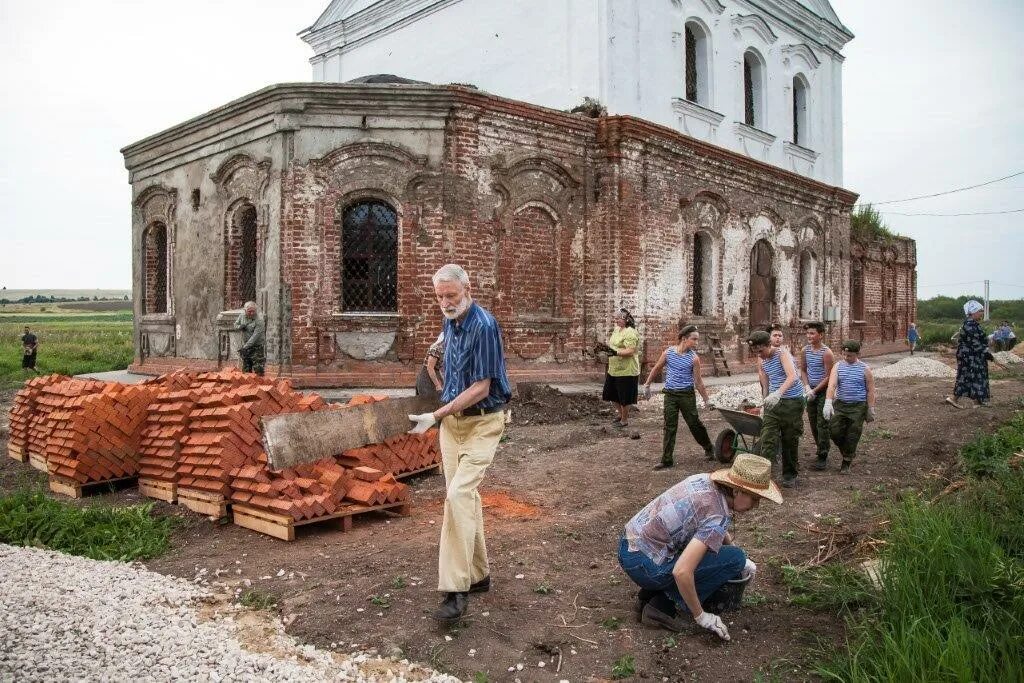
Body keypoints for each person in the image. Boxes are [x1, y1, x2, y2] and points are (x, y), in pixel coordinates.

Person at [407, 264, 513, 621]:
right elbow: (443, 361)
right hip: (452, 425)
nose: (446, 302)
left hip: (483, 423)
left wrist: (436, 415)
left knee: (457, 496)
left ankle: (455, 589)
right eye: (440, 296)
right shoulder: (448, 323)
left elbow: (482, 387)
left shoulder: (483, 326)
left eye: (451, 295)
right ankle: (479, 574)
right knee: (463, 497)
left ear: (468, 288)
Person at [618, 453, 782, 639]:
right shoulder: (717, 516)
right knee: (733, 559)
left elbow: (712, 524)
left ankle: (648, 595)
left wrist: (739, 553)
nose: (757, 505)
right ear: (737, 491)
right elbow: (681, 571)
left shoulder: (705, 482)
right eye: (755, 498)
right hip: (646, 564)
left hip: (629, 545)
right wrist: (701, 616)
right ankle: (664, 606)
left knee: (731, 554)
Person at [642, 325, 714, 469]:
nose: (696, 342)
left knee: (694, 423)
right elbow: (657, 368)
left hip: (686, 395)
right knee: (669, 426)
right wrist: (647, 385)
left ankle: (709, 448)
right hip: (670, 395)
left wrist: (707, 400)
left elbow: (698, 382)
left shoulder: (694, 359)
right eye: (694, 339)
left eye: (697, 340)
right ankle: (666, 459)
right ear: (684, 338)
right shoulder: (668, 353)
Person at [748, 331, 804, 488]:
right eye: (755, 352)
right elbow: (765, 382)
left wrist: (779, 393)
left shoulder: (782, 354)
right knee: (767, 437)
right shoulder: (762, 358)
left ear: (768, 345)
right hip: (774, 402)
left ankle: (790, 475)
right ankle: (762, 476)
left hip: (792, 401)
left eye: (761, 351)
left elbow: (792, 376)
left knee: (789, 438)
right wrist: (765, 401)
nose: (759, 354)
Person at [822, 340, 876, 474]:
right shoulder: (838, 366)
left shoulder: (865, 369)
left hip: (858, 406)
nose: (846, 357)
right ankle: (848, 452)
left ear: (857, 354)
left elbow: (870, 390)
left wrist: (870, 409)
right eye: (844, 354)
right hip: (840, 404)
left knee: (853, 434)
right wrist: (828, 402)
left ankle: (846, 463)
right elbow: (832, 385)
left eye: (850, 355)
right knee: (834, 430)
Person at [946, 300, 993, 409]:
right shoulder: (970, 325)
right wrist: (986, 353)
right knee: (968, 377)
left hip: (973, 355)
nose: (982, 313)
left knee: (973, 377)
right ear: (973, 312)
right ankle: (954, 399)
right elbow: (975, 343)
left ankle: (977, 401)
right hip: (970, 357)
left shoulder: (973, 324)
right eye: (980, 311)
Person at [800, 322, 835, 470]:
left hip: (823, 392)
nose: (809, 336)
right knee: (813, 422)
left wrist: (815, 391)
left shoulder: (827, 353)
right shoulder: (805, 350)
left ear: (821, 335)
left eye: (812, 333)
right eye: (808, 333)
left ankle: (823, 455)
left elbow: (829, 377)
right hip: (810, 390)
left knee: (822, 423)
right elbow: (803, 370)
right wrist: (807, 387)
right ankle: (820, 448)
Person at [600, 309, 641, 429]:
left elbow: (631, 351)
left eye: (619, 318)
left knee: (625, 396)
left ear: (626, 320)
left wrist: (615, 352)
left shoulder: (630, 332)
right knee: (610, 394)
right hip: (614, 368)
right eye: (616, 318)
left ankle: (624, 420)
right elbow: (613, 345)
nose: (616, 320)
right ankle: (621, 414)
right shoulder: (617, 329)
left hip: (627, 370)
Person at [234, 301, 266, 376]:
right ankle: (248, 387)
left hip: (256, 347)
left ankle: (260, 386)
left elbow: (255, 337)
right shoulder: (242, 316)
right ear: (245, 310)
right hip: (246, 347)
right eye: (249, 311)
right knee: (246, 370)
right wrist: (240, 326)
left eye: (253, 311)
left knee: (258, 369)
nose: (252, 313)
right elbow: (235, 325)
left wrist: (244, 347)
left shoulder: (259, 320)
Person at [415, 331, 445, 398]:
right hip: (427, 377)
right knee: (427, 401)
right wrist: (437, 385)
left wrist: (442, 380)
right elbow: (430, 368)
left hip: (435, 375)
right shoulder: (436, 348)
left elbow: (437, 368)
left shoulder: (444, 349)